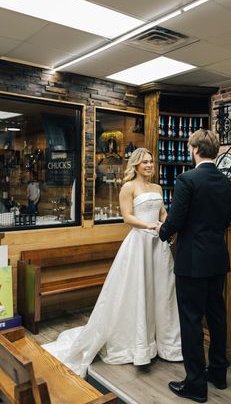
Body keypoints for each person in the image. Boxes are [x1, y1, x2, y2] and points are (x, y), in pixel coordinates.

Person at [44, 148, 182, 377]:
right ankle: (135, 345)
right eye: (145, 162)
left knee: (161, 291)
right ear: (136, 165)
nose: (149, 165)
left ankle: (164, 343)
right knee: (137, 290)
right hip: (139, 243)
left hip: (158, 244)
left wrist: (167, 226)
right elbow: (127, 216)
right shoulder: (129, 187)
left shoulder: (157, 188)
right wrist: (148, 226)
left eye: (151, 161)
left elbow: (163, 213)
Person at [157, 129, 231, 403]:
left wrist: (162, 232)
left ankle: (195, 385)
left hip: (191, 261)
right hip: (218, 259)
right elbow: (226, 220)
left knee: (190, 321)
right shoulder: (227, 184)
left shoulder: (187, 179)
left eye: (190, 148)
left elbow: (176, 220)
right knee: (217, 316)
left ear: (195, 150)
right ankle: (219, 374)